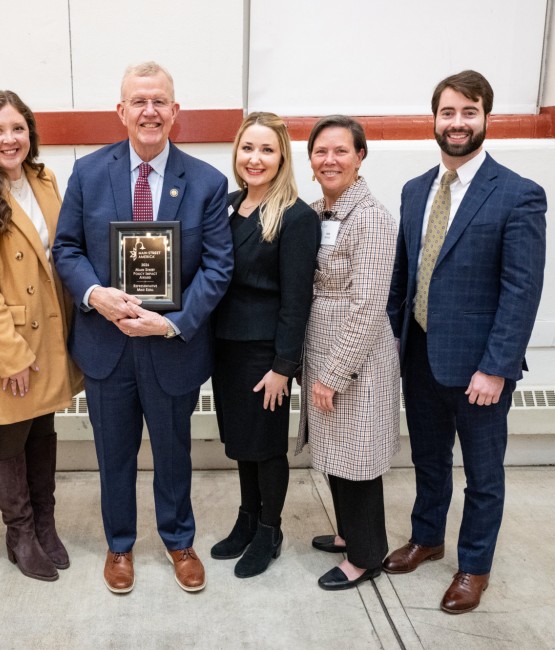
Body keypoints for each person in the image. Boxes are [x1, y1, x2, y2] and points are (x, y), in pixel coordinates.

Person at [52, 61, 233, 594]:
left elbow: (218, 267)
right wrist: (93, 294)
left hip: (172, 347)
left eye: (160, 102)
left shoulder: (206, 181)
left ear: (175, 112)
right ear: (122, 111)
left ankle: (179, 541)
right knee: (114, 454)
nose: (149, 111)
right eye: (139, 101)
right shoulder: (88, 173)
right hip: (106, 346)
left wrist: (173, 323)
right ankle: (120, 545)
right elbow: (66, 248)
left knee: (174, 452)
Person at [385, 70, 546, 614]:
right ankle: (428, 538)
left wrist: (496, 366)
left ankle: (473, 566)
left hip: (480, 369)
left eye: (468, 112)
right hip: (420, 358)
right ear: (434, 119)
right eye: (448, 112)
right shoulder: (414, 191)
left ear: (486, 119)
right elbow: (402, 282)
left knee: (483, 475)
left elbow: (521, 290)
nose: (457, 123)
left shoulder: (519, 194)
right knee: (428, 461)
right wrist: (392, 348)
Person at [0, 91, 83, 582]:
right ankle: (19, 533)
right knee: (11, 435)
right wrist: (11, 356)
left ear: (30, 132)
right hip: (10, 340)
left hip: (52, 327)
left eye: (17, 128)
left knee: (43, 429)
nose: (10, 139)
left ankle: (45, 526)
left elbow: (64, 248)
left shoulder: (44, 179)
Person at [209, 112, 319, 578]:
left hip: (264, 355)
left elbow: (297, 302)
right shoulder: (228, 206)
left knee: (267, 447)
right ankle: (247, 520)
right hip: (226, 349)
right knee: (240, 444)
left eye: (266, 150)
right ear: (237, 152)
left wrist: (283, 366)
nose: (255, 158)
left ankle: (270, 531)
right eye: (248, 148)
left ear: (281, 158)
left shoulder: (296, 216)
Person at [294, 115, 401, 591]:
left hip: (357, 362)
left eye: (341, 151)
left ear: (360, 157)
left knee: (358, 459)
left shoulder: (372, 217)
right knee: (338, 453)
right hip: (325, 352)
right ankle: (347, 534)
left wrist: (333, 375)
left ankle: (365, 556)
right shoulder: (320, 212)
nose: (329, 160)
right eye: (321, 152)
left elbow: (368, 306)